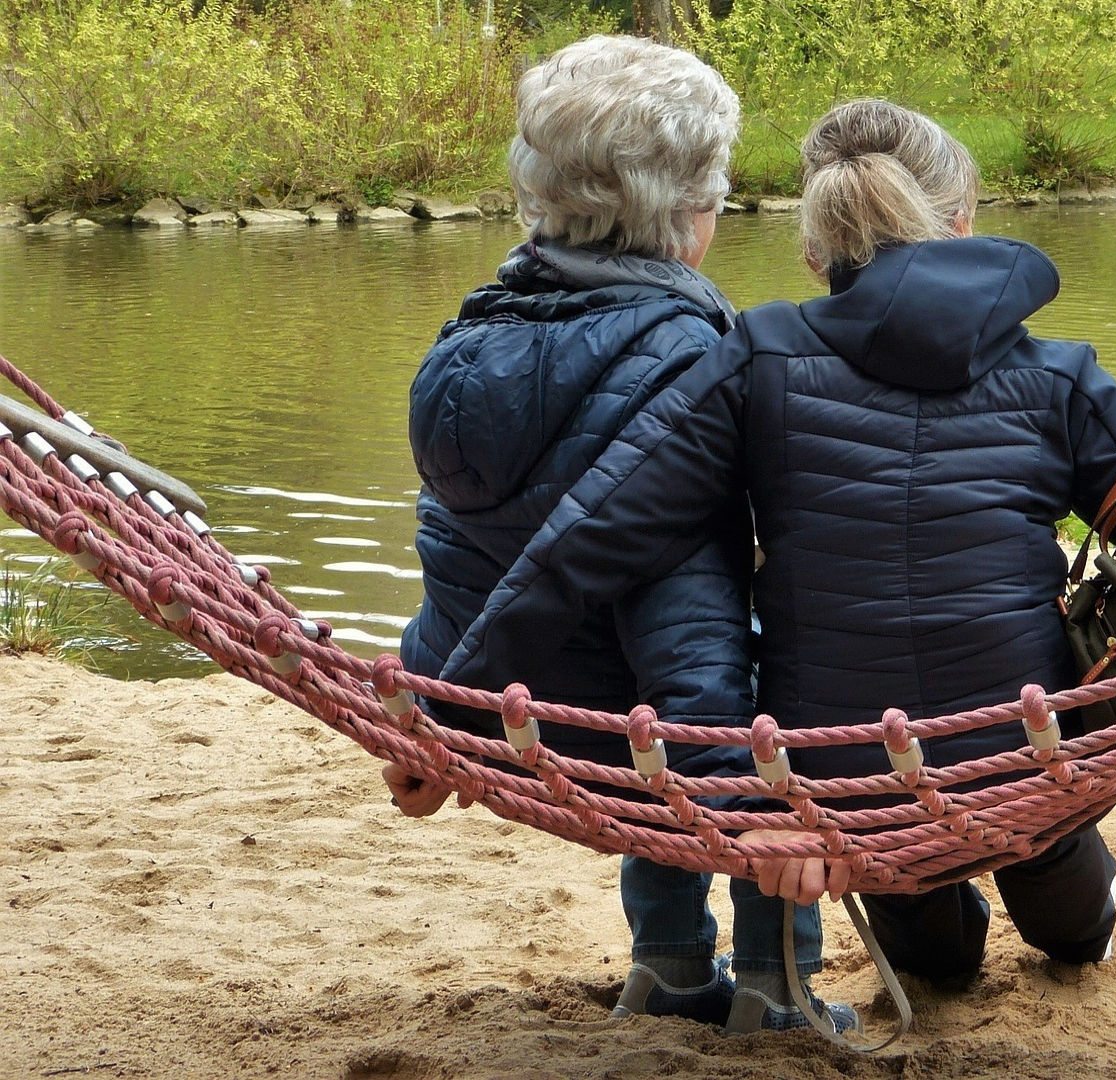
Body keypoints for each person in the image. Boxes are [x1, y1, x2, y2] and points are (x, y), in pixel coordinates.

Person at [442, 99, 1116, 987]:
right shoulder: (1058, 375)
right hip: (1026, 753)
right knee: (1062, 888)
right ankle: (1068, 906)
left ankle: (951, 922)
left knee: (934, 962)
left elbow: (592, 538)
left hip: (845, 784)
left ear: (817, 250)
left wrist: (453, 712)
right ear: (961, 222)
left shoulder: (757, 356)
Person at [385, 34, 851, 1034]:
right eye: (717, 190)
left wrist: (432, 710)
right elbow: (690, 626)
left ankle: (669, 964)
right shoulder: (693, 361)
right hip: (642, 733)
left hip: (513, 712)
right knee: (794, 668)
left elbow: (459, 555)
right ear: (689, 212)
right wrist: (743, 810)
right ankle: (775, 985)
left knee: (651, 689)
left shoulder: (466, 341)